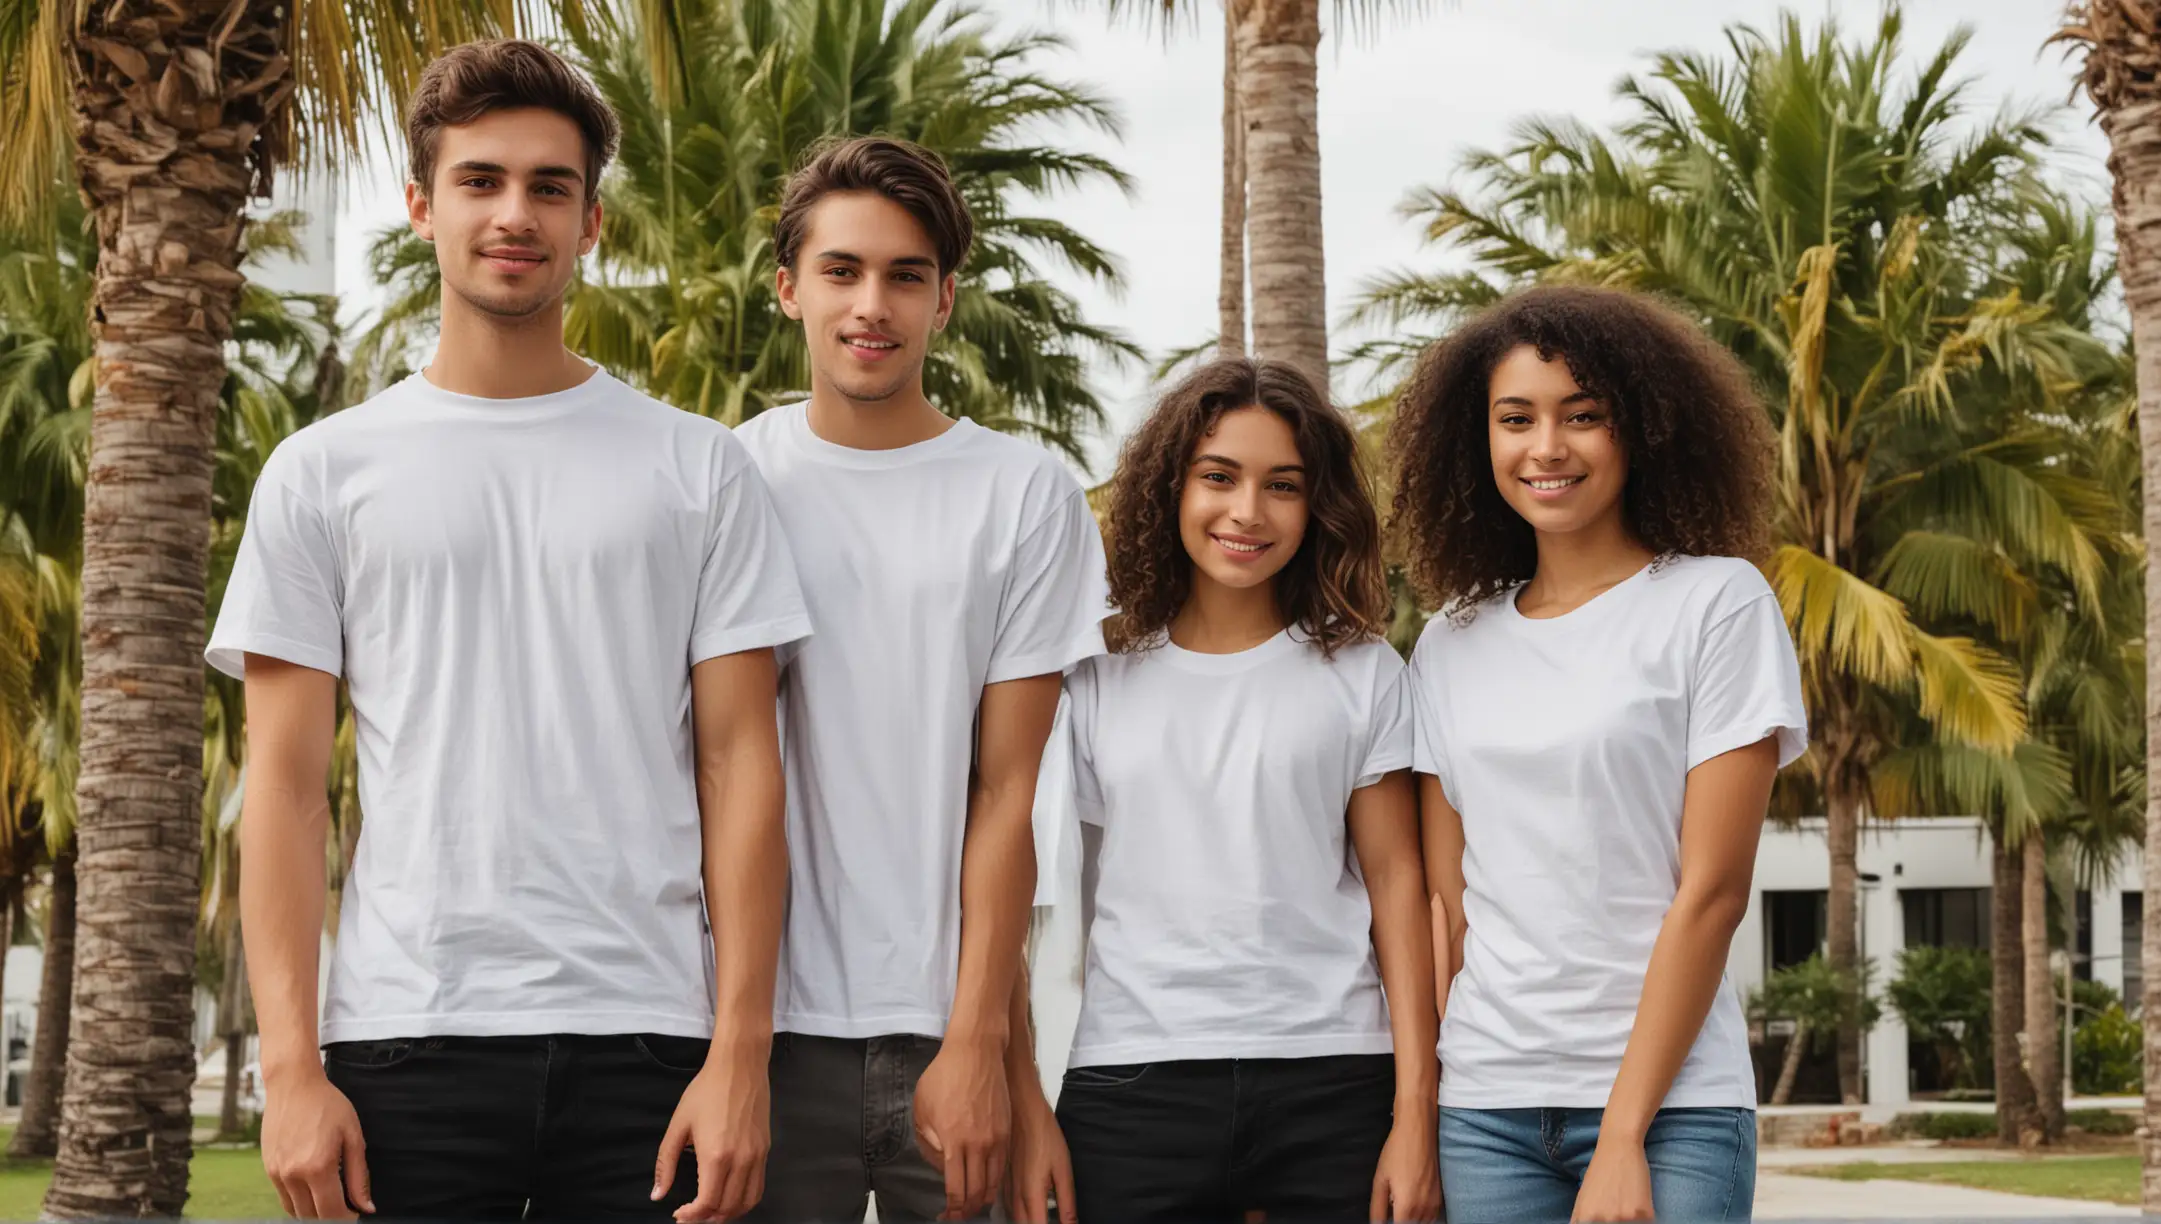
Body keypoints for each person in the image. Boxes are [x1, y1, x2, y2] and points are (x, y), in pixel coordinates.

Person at [211, 40, 811, 1222]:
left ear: (591, 221)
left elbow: (744, 766)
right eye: (481, 181)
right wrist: (288, 1072)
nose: (514, 214)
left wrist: (740, 1055)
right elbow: (280, 788)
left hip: (649, 1042)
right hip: (404, 1042)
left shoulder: (700, 467)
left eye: (550, 186)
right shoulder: (321, 473)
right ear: (421, 206)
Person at [733, 135, 1110, 1223]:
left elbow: (1008, 793)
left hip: (947, 1028)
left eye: (905, 276)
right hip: (756, 1034)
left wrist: (983, 1038)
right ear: (788, 286)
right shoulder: (728, 479)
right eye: (842, 270)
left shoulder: (1024, 494)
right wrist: (731, 1045)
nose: (871, 304)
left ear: (945, 300)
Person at [1389, 284, 1806, 1224]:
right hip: (1485, 1106)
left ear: (1643, 430)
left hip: (1673, 1111)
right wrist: (1418, 1111)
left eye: (1585, 416)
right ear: (1479, 439)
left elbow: (1713, 892)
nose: (1547, 447)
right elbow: (1445, 905)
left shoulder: (1716, 604)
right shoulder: (1449, 643)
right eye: (1516, 418)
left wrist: (1623, 1134)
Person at [1011, 357, 1441, 1224]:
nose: (1247, 512)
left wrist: (1415, 1117)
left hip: (1338, 1077)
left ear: (1315, 507)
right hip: (1133, 1079)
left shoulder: (1363, 674)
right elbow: (1030, 904)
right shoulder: (1092, 678)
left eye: (1283, 485)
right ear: (1170, 488)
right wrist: (1029, 1114)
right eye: (1219, 477)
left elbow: (1402, 887)